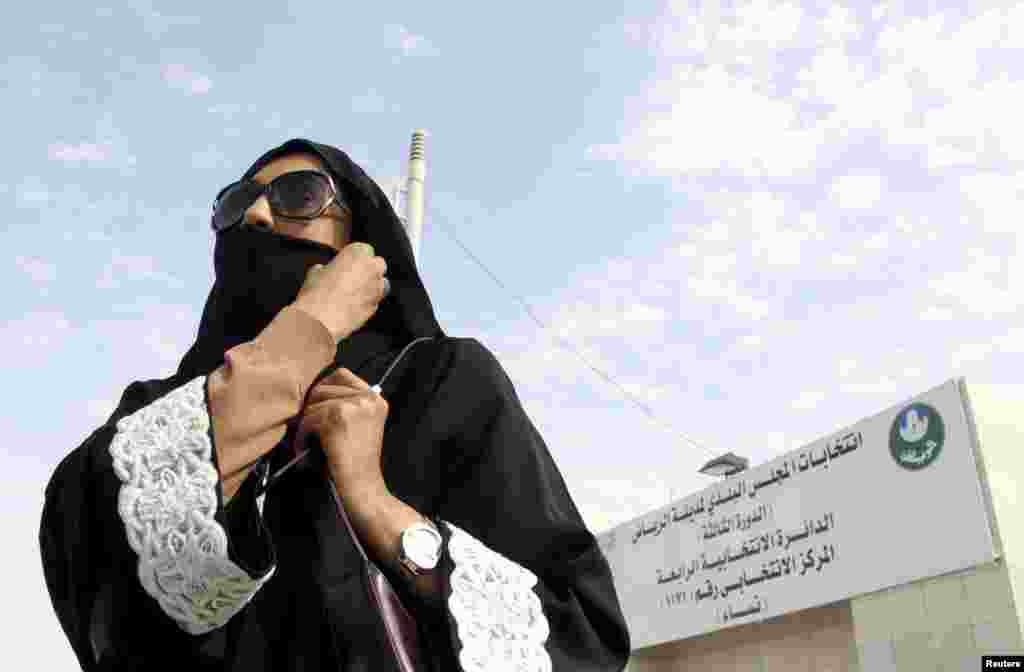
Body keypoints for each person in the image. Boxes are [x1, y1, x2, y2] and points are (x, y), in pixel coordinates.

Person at [40, 138, 631, 671]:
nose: (257, 214)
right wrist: (308, 330)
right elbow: (87, 546)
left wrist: (379, 509)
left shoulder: (440, 378)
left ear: (361, 241)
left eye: (298, 195)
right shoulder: (161, 409)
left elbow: (578, 630)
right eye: (235, 203)